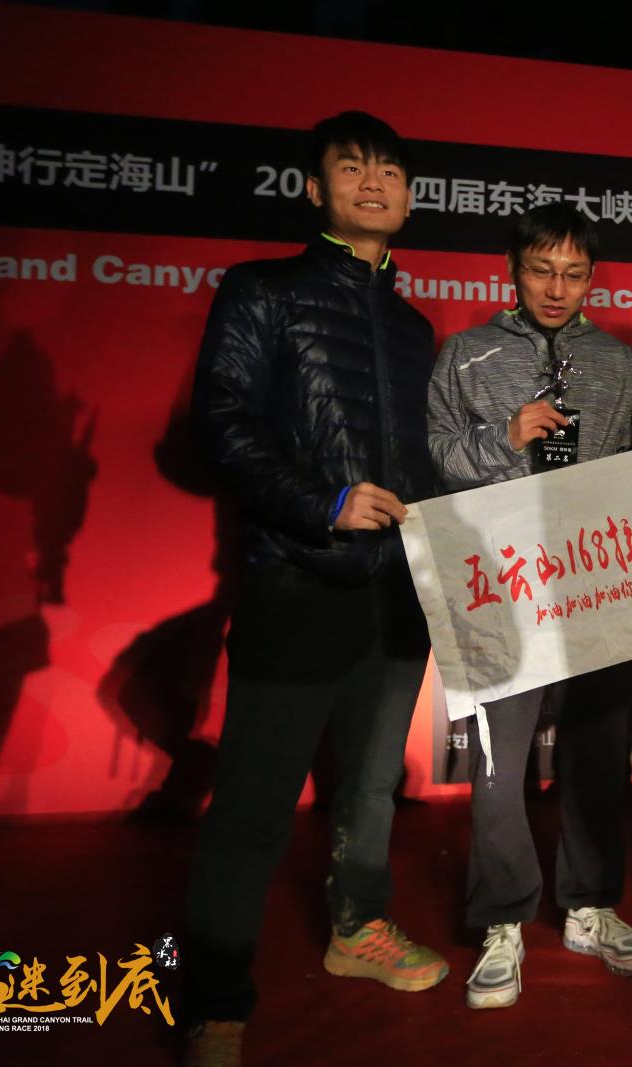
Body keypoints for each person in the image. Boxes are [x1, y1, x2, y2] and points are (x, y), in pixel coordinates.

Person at [183, 111, 445, 1066]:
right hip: (297, 580)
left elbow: (426, 460)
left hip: (397, 598)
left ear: (410, 194)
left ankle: (357, 928)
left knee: (370, 790)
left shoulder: (415, 328)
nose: (374, 183)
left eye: (390, 170)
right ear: (314, 187)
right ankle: (213, 1000)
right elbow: (219, 422)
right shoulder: (262, 290)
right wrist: (322, 504)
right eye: (352, 166)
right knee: (253, 808)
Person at [426, 202, 632, 1010]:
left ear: (592, 278)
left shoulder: (617, 362)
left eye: (574, 273)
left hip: (593, 585)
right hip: (499, 586)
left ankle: (590, 906)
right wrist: (506, 436)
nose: (557, 288)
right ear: (512, 270)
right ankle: (502, 919)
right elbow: (436, 458)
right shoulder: (465, 355)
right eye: (541, 270)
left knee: (596, 753)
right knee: (498, 765)